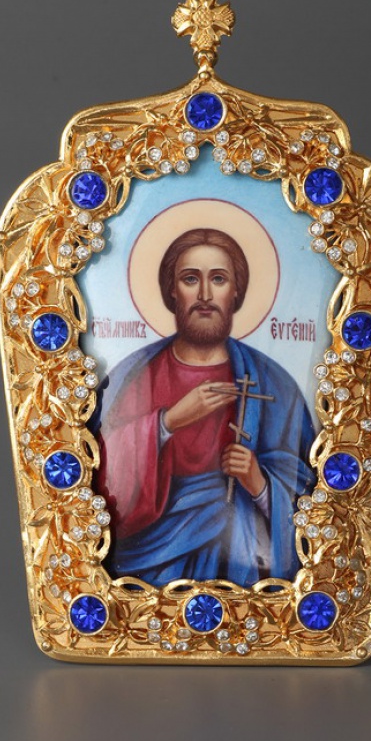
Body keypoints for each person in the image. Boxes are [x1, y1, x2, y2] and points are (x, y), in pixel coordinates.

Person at [93, 227, 316, 587]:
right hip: (147, 563)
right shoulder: (134, 376)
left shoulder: (275, 384)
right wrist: (167, 422)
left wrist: (259, 483)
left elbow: (312, 493)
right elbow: (101, 472)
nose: (205, 295)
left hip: (243, 564)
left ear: (236, 290)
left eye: (219, 279)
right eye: (190, 279)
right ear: (172, 289)